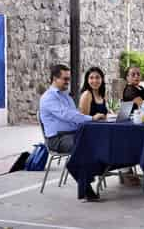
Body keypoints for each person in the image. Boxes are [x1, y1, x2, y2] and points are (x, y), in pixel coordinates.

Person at [39, 64, 105, 201]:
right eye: (65, 79)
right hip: (57, 139)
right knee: (84, 146)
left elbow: (74, 116)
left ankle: (97, 173)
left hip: (73, 134)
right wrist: (91, 118)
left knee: (101, 141)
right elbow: (68, 115)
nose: (68, 82)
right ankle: (85, 186)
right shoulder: (48, 98)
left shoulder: (66, 96)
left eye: (68, 79)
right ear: (54, 79)